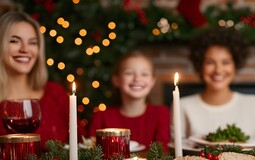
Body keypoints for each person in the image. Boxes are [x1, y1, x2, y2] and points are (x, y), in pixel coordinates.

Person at [0, 11, 85, 147]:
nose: (25, 49)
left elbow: (83, 146)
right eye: (14, 41)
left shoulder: (55, 93)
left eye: (32, 43)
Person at [177, 27, 255, 142]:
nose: (218, 70)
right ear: (200, 66)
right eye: (210, 62)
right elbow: (177, 150)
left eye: (225, 62)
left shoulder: (254, 104)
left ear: (235, 65)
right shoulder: (182, 106)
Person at [88, 49, 170, 152]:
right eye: (129, 73)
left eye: (144, 74)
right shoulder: (101, 117)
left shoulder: (161, 113)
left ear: (152, 81)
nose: (137, 79)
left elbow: (162, 152)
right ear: (116, 80)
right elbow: (91, 152)